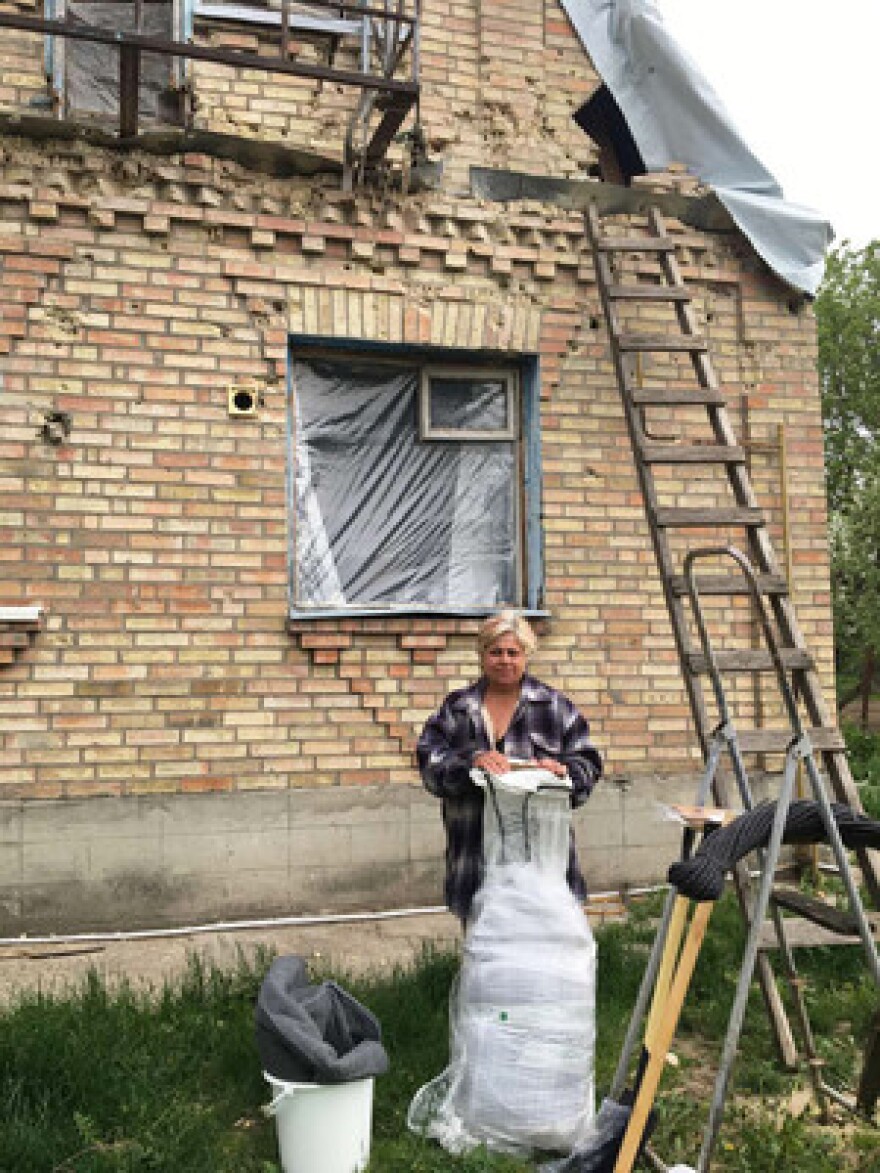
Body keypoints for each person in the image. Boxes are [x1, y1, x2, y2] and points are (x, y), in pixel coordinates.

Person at [417, 610, 602, 923]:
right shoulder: (458, 708)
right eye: (496, 652)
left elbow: (588, 762)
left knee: (542, 938)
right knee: (482, 945)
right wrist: (469, 763)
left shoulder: (555, 706)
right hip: (474, 850)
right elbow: (428, 761)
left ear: (526, 655)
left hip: (541, 854)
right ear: (482, 655)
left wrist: (562, 772)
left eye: (513, 653)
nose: (504, 660)